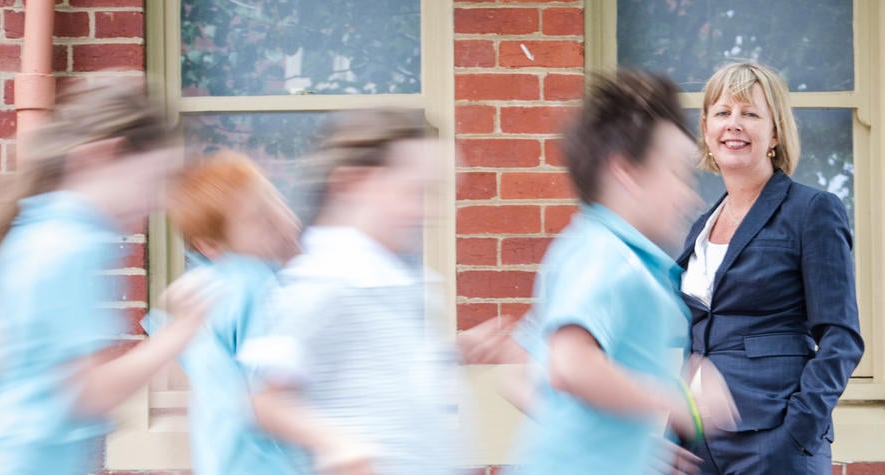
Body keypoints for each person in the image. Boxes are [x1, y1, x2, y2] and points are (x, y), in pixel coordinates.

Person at [0, 80, 219, 475]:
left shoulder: (35, 227)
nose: (158, 200)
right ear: (103, 156)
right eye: (154, 179)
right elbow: (88, 393)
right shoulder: (74, 244)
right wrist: (181, 330)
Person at [498, 69, 738, 475]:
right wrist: (678, 401)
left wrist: (629, 444)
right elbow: (571, 366)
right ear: (626, 172)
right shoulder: (603, 254)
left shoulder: (605, 252)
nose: (692, 195)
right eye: (679, 173)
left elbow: (521, 366)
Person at [237, 108, 461, 475]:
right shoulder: (323, 280)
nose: (429, 210)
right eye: (413, 191)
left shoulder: (398, 279)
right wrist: (337, 442)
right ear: (351, 184)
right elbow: (266, 400)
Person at [677, 62, 864, 474]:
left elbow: (841, 337)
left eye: (751, 113)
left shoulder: (812, 210)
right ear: (707, 129)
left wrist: (799, 429)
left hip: (774, 439)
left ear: (775, 134)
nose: (734, 125)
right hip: (697, 446)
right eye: (722, 113)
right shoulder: (699, 227)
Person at [141, 150, 302, 474]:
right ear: (210, 245)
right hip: (269, 463)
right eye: (258, 218)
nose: (275, 216)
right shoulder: (253, 283)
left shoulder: (202, 287)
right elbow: (277, 389)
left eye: (272, 198)